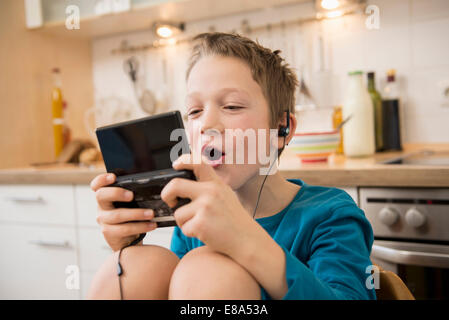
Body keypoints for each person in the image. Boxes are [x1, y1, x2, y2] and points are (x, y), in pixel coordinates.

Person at [87, 32, 377, 300]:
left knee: (207, 267)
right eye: (194, 111)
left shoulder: (331, 215)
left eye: (232, 106)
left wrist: (244, 240)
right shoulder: (192, 219)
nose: (206, 125)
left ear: (281, 129)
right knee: (137, 264)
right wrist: (128, 244)